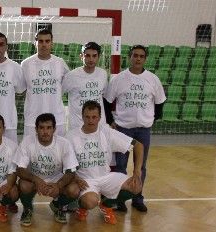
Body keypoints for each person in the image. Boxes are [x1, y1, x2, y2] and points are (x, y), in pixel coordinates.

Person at [104, 45, 166, 212]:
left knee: (141, 166)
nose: (138, 58)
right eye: (135, 55)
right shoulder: (119, 79)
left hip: (143, 130)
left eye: (141, 56)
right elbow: (107, 100)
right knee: (121, 165)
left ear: (145, 59)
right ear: (129, 57)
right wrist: (110, 120)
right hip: (123, 129)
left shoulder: (152, 79)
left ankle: (138, 197)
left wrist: (153, 118)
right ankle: (120, 199)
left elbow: (160, 102)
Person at [66, 100, 143, 224]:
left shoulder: (107, 133)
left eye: (94, 117)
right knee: (89, 202)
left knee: (136, 186)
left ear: (100, 118)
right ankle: (82, 207)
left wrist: (137, 171)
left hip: (106, 177)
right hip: (86, 180)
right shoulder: (71, 137)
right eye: (87, 117)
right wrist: (75, 178)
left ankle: (106, 205)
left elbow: (138, 145)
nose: (90, 120)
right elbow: (64, 164)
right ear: (82, 116)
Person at [14, 113, 81, 226]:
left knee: (74, 189)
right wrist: (36, 179)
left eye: (49, 128)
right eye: (41, 128)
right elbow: (19, 169)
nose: (45, 131)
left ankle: (58, 206)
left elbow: (71, 171)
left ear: (54, 129)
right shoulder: (27, 142)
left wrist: (58, 185)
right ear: (36, 129)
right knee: (23, 185)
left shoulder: (64, 143)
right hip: (35, 180)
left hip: (56, 181)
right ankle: (27, 209)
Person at [21, 29, 70, 136]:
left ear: (52, 43)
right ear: (35, 43)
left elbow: (65, 86)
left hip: (57, 118)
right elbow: (23, 89)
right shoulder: (26, 64)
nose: (44, 44)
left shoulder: (60, 63)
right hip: (32, 119)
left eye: (47, 41)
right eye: (40, 41)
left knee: (57, 151)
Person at [62, 42, 108, 130]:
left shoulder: (103, 74)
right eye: (87, 55)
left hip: (99, 127)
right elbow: (58, 95)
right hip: (77, 126)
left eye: (94, 56)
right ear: (81, 56)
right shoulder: (71, 76)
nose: (91, 59)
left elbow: (104, 96)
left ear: (99, 57)